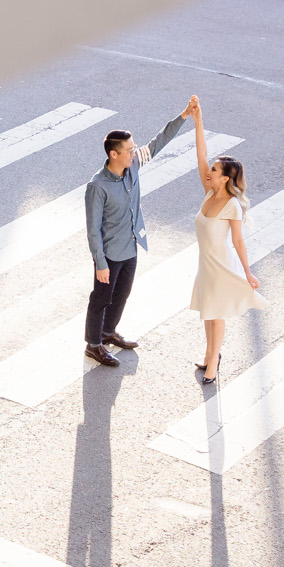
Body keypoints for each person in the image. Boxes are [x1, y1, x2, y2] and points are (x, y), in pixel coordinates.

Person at [84, 95, 200, 367]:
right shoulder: (97, 187)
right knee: (101, 298)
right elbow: (92, 230)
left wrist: (184, 115)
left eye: (133, 148)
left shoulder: (133, 165)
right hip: (109, 253)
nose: (134, 152)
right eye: (128, 149)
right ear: (114, 154)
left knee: (122, 294)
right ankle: (93, 344)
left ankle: (108, 332)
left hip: (131, 245)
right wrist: (100, 263)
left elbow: (158, 142)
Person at [186, 97, 263, 383]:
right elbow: (200, 154)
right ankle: (210, 355)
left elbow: (239, 242)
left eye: (215, 170)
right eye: (212, 169)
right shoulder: (209, 192)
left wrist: (247, 272)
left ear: (226, 178)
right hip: (205, 264)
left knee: (216, 314)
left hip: (221, 265)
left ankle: (214, 365)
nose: (210, 171)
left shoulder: (232, 205)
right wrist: (198, 120)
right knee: (208, 311)